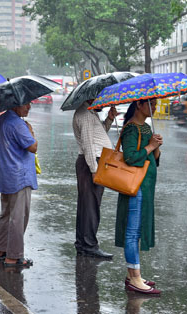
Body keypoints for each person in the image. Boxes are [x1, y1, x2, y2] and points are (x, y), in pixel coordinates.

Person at [115, 99, 162, 295]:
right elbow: (131, 157)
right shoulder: (131, 129)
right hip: (136, 187)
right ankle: (134, 278)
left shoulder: (146, 128)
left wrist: (157, 146)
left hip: (146, 186)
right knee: (133, 232)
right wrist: (150, 146)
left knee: (137, 230)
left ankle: (133, 275)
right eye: (152, 104)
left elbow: (154, 160)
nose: (156, 107)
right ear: (140, 105)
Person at [0, 103, 37, 268]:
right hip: (19, 176)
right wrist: (30, 131)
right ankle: (13, 256)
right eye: (26, 104)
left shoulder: (2, 119)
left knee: (6, 214)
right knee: (18, 217)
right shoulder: (18, 124)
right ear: (16, 104)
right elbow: (32, 146)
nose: (29, 107)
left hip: (6, 175)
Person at [72, 100, 117, 259]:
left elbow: (98, 135)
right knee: (91, 206)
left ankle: (82, 244)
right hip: (90, 163)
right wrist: (93, 169)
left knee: (87, 205)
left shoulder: (91, 113)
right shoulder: (84, 114)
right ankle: (89, 245)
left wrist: (109, 119)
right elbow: (88, 144)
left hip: (93, 162)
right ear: (91, 97)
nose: (104, 102)